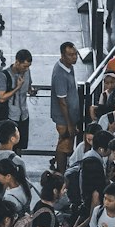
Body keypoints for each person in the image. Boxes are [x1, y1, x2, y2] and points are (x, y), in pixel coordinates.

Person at [50, 42, 82, 173]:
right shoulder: (60, 75)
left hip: (71, 116)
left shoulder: (69, 67)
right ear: (62, 55)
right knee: (65, 145)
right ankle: (61, 173)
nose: (74, 57)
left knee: (64, 143)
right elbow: (62, 102)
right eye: (70, 55)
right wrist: (69, 124)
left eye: (75, 54)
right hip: (64, 119)